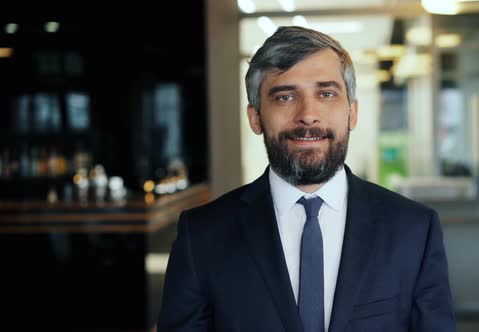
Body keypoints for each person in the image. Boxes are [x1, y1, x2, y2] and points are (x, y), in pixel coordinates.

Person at [158, 26, 455, 332]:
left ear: (352, 113)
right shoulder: (202, 236)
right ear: (255, 117)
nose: (308, 115)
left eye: (326, 94)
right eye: (285, 97)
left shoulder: (414, 230)